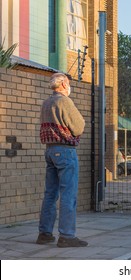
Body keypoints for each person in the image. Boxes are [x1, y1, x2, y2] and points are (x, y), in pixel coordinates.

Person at [37, 73, 88, 248]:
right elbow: (79, 126)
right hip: (65, 151)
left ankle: (44, 233)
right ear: (64, 84)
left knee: (50, 193)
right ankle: (67, 235)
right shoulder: (64, 101)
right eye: (69, 83)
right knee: (68, 194)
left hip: (50, 150)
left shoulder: (46, 103)